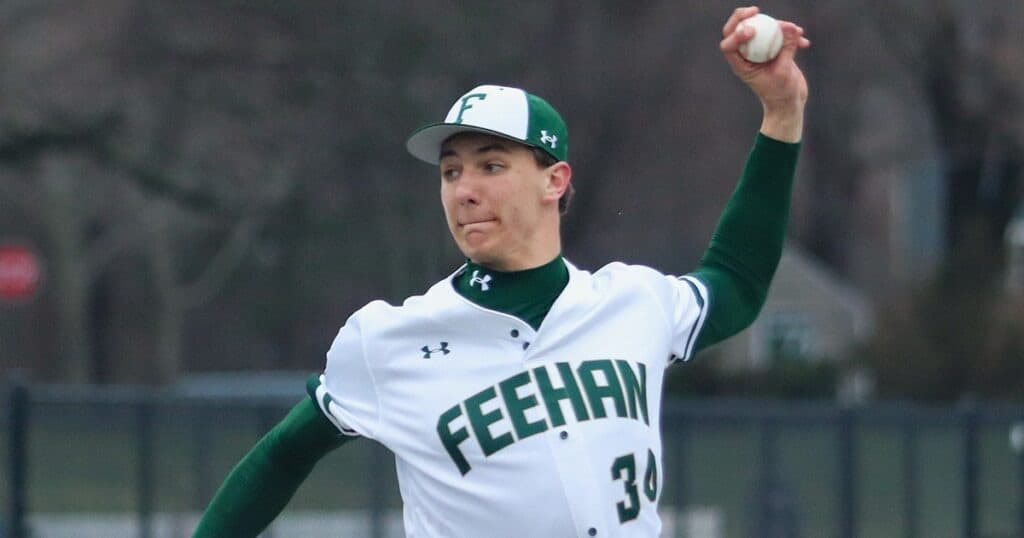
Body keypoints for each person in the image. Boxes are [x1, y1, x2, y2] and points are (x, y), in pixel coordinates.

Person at [194, 6, 810, 537]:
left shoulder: (633, 303)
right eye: (451, 170)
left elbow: (737, 280)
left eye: (490, 165)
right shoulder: (388, 341)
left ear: (555, 180)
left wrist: (782, 114)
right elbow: (278, 459)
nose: (464, 189)